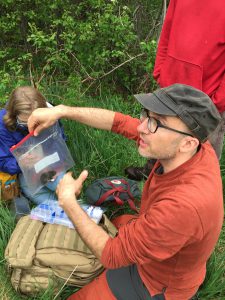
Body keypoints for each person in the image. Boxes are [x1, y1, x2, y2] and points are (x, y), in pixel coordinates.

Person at [27, 84, 223, 300]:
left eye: (156, 123)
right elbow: (119, 122)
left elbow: (110, 256)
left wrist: (68, 201)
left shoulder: (184, 205)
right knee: (119, 220)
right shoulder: (193, 148)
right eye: (147, 116)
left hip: (156, 284)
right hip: (166, 240)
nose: (141, 128)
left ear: (187, 143)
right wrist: (61, 111)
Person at [126, 0, 225, 180]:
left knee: (203, 151)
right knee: (156, 128)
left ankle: (198, 190)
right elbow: (167, 31)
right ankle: (153, 171)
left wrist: (217, 101)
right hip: (170, 83)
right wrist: (160, 70)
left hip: (205, 98)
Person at [0, 86, 64, 204]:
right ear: (14, 115)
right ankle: (65, 210)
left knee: (61, 185)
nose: (31, 125)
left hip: (50, 161)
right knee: (36, 193)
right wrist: (20, 163)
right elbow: (3, 161)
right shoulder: (2, 125)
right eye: (25, 123)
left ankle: (72, 204)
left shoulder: (51, 113)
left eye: (37, 121)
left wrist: (51, 162)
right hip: (25, 170)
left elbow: (60, 141)